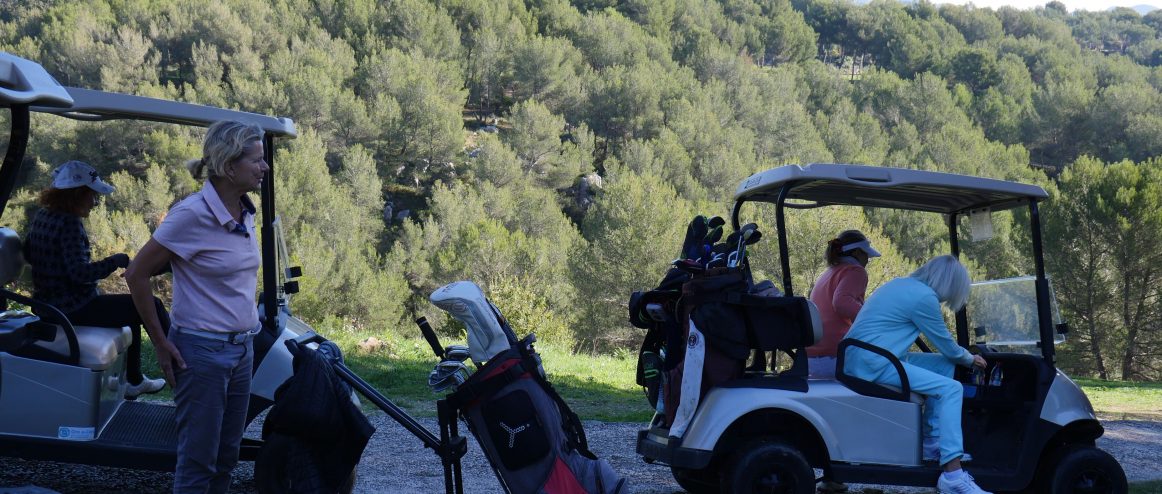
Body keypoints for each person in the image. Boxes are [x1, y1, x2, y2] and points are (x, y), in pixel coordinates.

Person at [125, 120, 267, 494]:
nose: (264, 168)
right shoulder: (191, 214)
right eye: (257, 160)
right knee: (198, 461)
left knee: (226, 457)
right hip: (200, 353)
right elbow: (136, 274)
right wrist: (160, 341)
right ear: (228, 165)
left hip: (242, 350)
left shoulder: (246, 211)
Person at [842, 255, 990, 494]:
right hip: (873, 363)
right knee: (952, 389)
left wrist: (960, 357)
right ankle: (953, 475)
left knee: (942, 366)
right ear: (950, 284)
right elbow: (947, 345)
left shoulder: (902, 285)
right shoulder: (924, 298)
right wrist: (970, 359)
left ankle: (931, 442)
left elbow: (944, 355)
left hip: (862, 357)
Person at [23, 160, 168, 398]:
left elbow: (30, 252)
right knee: (152, 304)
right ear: (77, 195)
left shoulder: (43, 215)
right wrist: (118, 259)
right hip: (72, 308)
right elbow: (80, 274)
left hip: (48, 305)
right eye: (92, 195)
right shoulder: (70, 223)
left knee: (133, 310)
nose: (95, 202)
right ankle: (184, 369)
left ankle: (133, 381)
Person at [806, 229, 880, 379]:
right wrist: (872, 319)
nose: (868, 259)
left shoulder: (828, 272)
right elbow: (841, 303)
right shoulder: (855, 271)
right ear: (857, 253)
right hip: (835, 356)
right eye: (866, 254)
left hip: (813, 358)